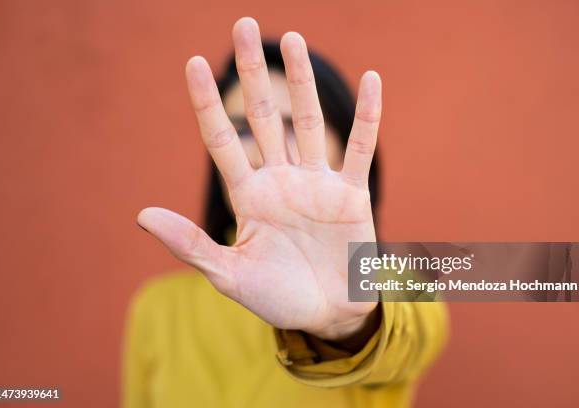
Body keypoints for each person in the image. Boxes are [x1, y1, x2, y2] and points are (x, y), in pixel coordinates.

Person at [124, 17, 448, 408]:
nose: (264, 148)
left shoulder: (404, 291)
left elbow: (407, 343)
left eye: (293, 124)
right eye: (243, 129)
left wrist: (347, 326)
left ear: (343, 145)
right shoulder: (158, 309)